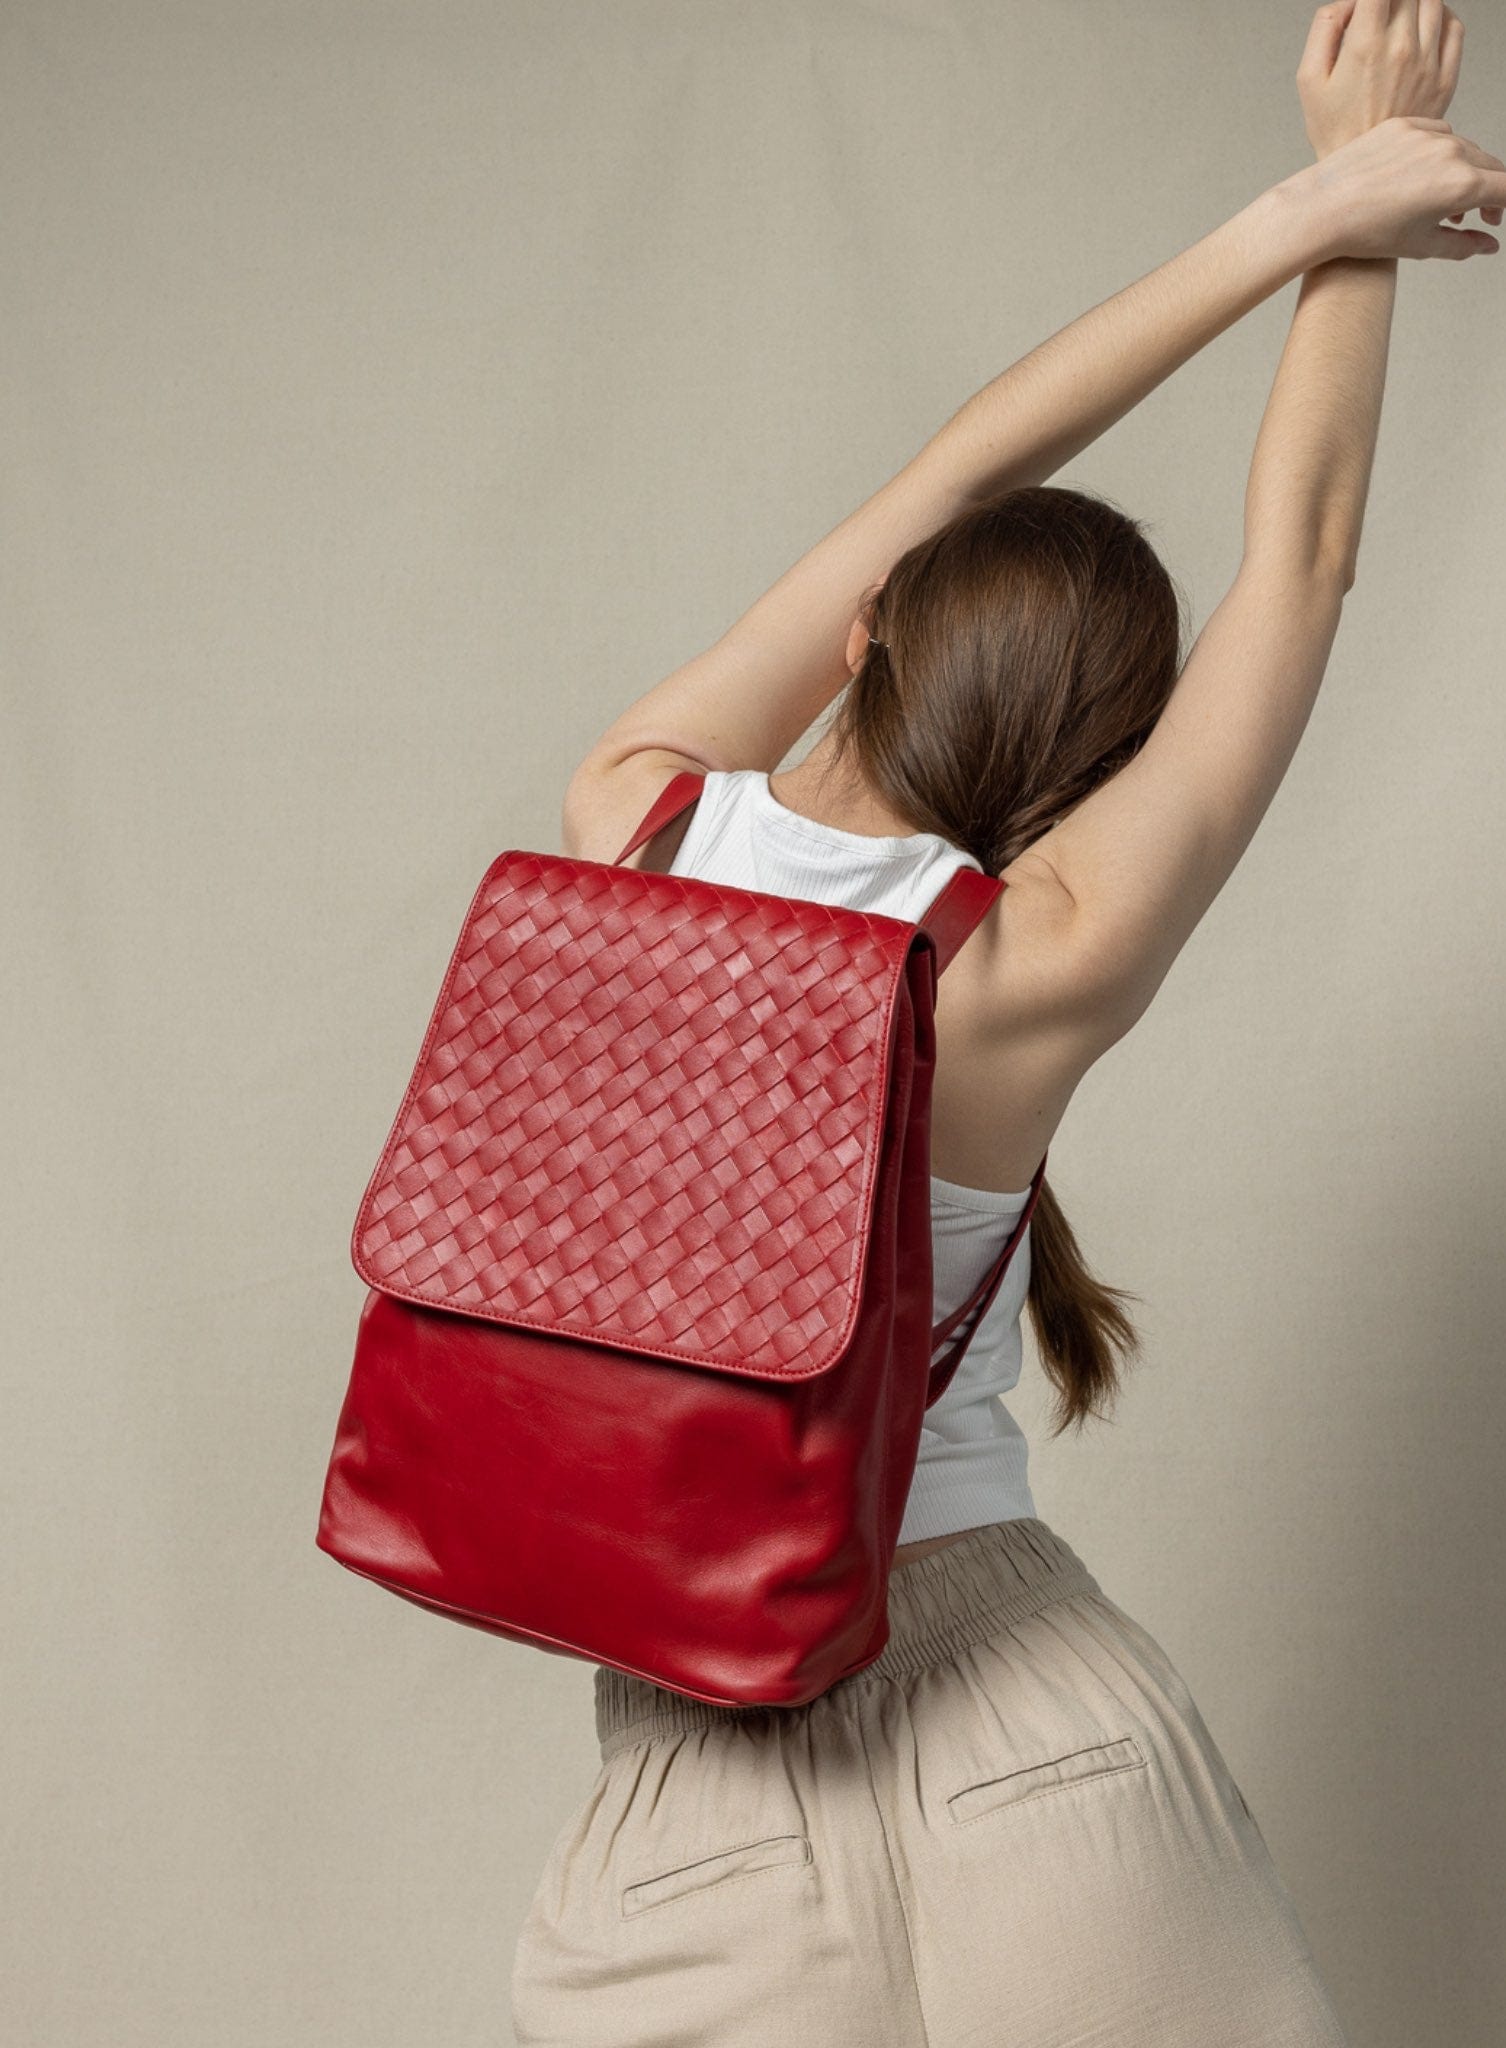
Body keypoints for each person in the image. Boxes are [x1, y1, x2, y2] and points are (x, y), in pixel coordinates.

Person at [512, 7, 1502, 2042]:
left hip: (694, 1756)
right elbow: (1298, 572)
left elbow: (963, 467)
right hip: (1017, 1706)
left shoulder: (640, 808)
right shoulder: (1033, 951)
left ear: (867, 623)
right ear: (1096, 774)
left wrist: (1301, 203)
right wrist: (1367, 234)